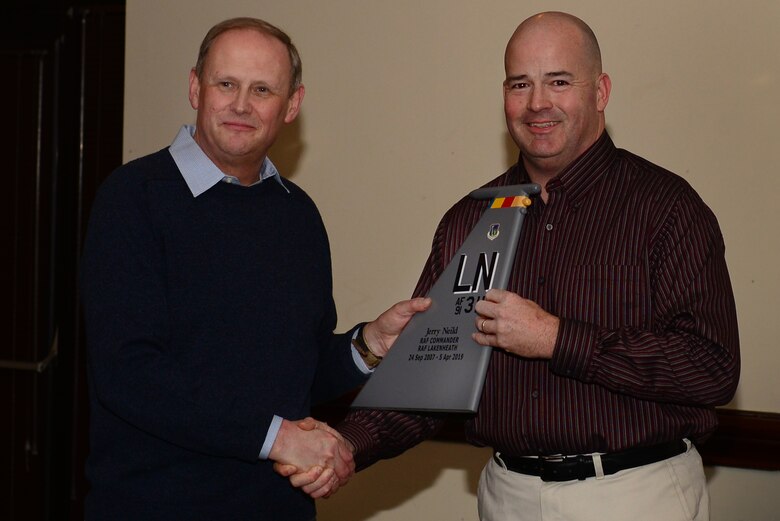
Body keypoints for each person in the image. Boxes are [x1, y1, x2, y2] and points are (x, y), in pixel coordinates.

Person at [280, 11, 740, 521]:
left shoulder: (666, 208)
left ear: (601, 91)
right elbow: (431, 378)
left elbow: (711, 368)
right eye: (520, 84)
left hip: (633, 493)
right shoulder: (471, 219)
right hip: (506, 496)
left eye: (558, 82)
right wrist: (343, 445)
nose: (537, 103)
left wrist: (556, 338)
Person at [80, 17, 429, 521]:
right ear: (196, 88)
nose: (241, 105)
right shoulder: (133, 199)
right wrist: (278, 438)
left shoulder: (298, 214)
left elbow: (295, 372)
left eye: (262, 89)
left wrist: (367, 344)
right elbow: (130, 374)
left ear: (291, 106)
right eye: (227, 84)